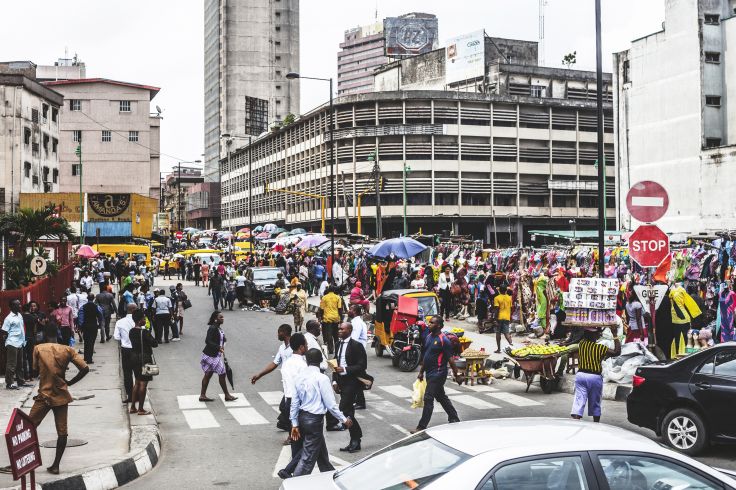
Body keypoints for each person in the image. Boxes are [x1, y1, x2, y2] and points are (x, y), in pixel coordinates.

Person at [28, 320, 89, 474]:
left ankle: (25, 462)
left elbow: (35, 371)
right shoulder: (68, 350)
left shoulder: (38, 348)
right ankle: (55, 465)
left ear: (44, 334)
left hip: (44, 395)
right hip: (61, 395)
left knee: (29, 427)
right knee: (62, 432)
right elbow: (84, 368)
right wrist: (70, 382)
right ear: (58, 333)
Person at [282, 348, 352, 479]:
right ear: (321, 361)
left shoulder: (299, 378)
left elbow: (295, 403)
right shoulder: (322, 378)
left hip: (302, 417)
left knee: (320, 452)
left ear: (306, 360)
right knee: (308, 458)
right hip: (315, 420)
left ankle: (329, 474)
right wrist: (343, 419)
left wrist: (295, 424)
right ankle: (296, 484)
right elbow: (330, 405)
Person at [413, 316, 461, 433]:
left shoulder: (444, 340)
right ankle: (454, 417)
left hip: (438, 373)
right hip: (429, 373)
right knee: (440, 396)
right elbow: (426, 356)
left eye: (432, 323)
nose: (429, 324)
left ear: (439, 325)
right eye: (429, 322)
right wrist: (421, 372)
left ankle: (421, 427)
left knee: (428, 398)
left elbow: (451, 360)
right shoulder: (429, 337)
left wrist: (457, 374)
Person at [571, 326, 621, 422]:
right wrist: (615, 335)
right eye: (597, 333)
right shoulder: (600, 348)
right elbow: (617, 352)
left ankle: (575, 422)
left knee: (579, 401)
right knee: (595, 403)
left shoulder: (582, 344)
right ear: (594, 336)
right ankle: (596, 424)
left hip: (580, 375)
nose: (599, 335)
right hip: (595, 377)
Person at [251, 324, 293, 431]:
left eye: (279, 332)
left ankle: (291, 433)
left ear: (284, 333)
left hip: (295, 382)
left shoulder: (295, 346)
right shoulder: (282, 347)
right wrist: (259, 375)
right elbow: (275, 363)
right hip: (287, 383)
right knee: (285, 407)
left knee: (287, 407)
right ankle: (285, 424)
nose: (277, 334)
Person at [332, 322, 366, 453]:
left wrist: (345, 369)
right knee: (349, 412)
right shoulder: (338, 344)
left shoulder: (357, 346)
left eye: (342, 329)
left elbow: (362, 365)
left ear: (350, 330)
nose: (339, 330)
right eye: (339, 328)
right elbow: (334, 364)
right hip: (341, 382)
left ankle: (356, 437)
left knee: (343, 409)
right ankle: (354, 441)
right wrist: (334, 381)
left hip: (352, 382)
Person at [199, 311, 237, 402]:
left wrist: (223, 341)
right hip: (211, 356)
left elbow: (220, 338)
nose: (222, 318)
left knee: (208, 374)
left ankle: (202, 395)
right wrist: (218, 347)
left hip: (212, 355)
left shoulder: (218, 328)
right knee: (222, 373)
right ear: (215, 319)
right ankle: (227, 395)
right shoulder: (212, 328)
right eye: (221, 317)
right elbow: (208, 341)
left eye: (223, 317)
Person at [129, 309, 157, 415]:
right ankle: (140, 409)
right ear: (140, 320)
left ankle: (132, 407)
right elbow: (154, 343)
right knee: (143, 384)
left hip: (134, 358)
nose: (145, 320)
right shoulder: (144, 332)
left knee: (137, 382)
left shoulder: (131, 331)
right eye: (144, 318)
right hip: (145, 359)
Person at [282, 333, 308, 450]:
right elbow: (303, 388)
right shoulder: (302, 365)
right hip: (298, 404)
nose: (307, 346)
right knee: (301, 442)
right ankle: (291, 468)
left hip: (288, 401)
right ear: (301, 347)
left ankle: (293, 467)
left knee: (295, 442)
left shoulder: (287, 363)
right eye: (306, 344)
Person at [114, 303, 138, 403]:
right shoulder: (139, 321)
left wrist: (125, 339)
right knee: (138, 374)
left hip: (126, 350)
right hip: (137, 349)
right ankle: (138, 395)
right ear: (134, 310)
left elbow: (116, 337)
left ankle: (130, 396)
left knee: (127, 374)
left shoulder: (120, 322)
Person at [2, 300, 29, 390]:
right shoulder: (8, 318)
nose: (20, 306)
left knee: (20, 364)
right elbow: (4, 331)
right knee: (11, 364)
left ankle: (21, 381)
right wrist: (8, 343)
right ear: (12, 306)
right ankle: (9, 384)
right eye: (18, 305)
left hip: (20, 343)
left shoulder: (19, 315)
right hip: (12, 343)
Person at [318, 287, 343, 355]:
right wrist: (341, 319)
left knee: (329, 335)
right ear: (334, 290)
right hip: (336, 318)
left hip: (327, 319)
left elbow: (322, 309)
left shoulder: (324, 297)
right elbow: (340, 309)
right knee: (336, 335)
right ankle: (337, 349)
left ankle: (331, 350)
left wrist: (321, 318)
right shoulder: (338, 297)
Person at [79, 293, 103, 364]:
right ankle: (89, 359)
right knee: (91, 342)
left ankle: (86, 357)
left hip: (85, 327)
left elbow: (80, 318)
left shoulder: (83, 307)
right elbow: (100, 315)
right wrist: (99, 323)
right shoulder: (97, 307)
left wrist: (81, 326)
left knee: (86, 341)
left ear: (87, 298)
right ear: (93, 298)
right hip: (93, 326)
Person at [493, 285, 513, 353]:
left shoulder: (496, 298)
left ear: (499, 290)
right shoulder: (509, 298)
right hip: (507, 317)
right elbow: (510, 308)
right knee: (506, 333)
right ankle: (512, 345)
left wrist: (495, 319)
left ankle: (498, 349)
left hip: (499, 317)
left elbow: (496, 309)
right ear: (506, 291)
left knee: (498, 333)